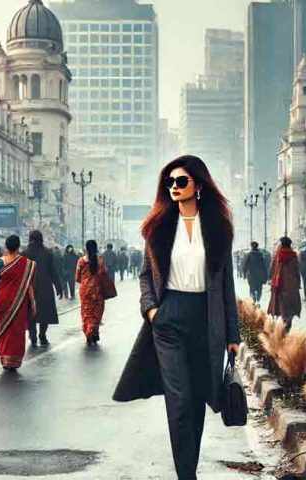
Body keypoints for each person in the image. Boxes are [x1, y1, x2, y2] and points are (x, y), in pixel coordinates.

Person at [113, 155, 241, 480]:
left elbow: (226, 285)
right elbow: (146, 276)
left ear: (198, 185)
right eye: (169, 182)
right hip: (168, 319)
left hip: (206, 319)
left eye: (181, 181)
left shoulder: (217, 228)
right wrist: (152, 310)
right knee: (179, 400)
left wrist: (232, 335)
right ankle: (187, 476)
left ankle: (189, 468)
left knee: (198, 397)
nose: (174, 187)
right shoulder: (158, 228)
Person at [0, 235, 37, 371]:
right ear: (18, 247)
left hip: (2, 302)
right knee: (17, 332)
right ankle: (14, 361)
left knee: (3, 331)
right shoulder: (27, 263)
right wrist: (33, 303)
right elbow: (29, 286)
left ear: (6, 247)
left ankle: (5, 359)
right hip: (20, 304)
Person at [22, 231, 63, 346]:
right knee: (45, 313)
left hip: (30, 287)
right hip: (45, 287)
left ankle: (33, 335)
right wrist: (59, 287)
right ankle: (42, 335)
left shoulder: (25, 253)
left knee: (31, 312)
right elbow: (53, 271)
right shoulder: (47, 253)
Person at [76, 240, 107, 346]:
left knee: (86, 311)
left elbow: (78, 277)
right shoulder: (100, 260)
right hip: (97, 290)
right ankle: (94, 331)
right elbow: (103, 275)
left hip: (84, 290)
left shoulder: (81, 260)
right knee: (97, 312)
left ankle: (88, 332)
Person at [267, 237, 302, 330]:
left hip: (279, 283)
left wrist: (270, 278)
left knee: (280, 304)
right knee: (290, 304)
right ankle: (288, 321)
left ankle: (282, 321)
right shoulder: (294, 256)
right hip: (292, 284)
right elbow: (297, 271)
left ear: (281, 244)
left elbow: (272, 269)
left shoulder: (278, 255)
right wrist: (298, 283)